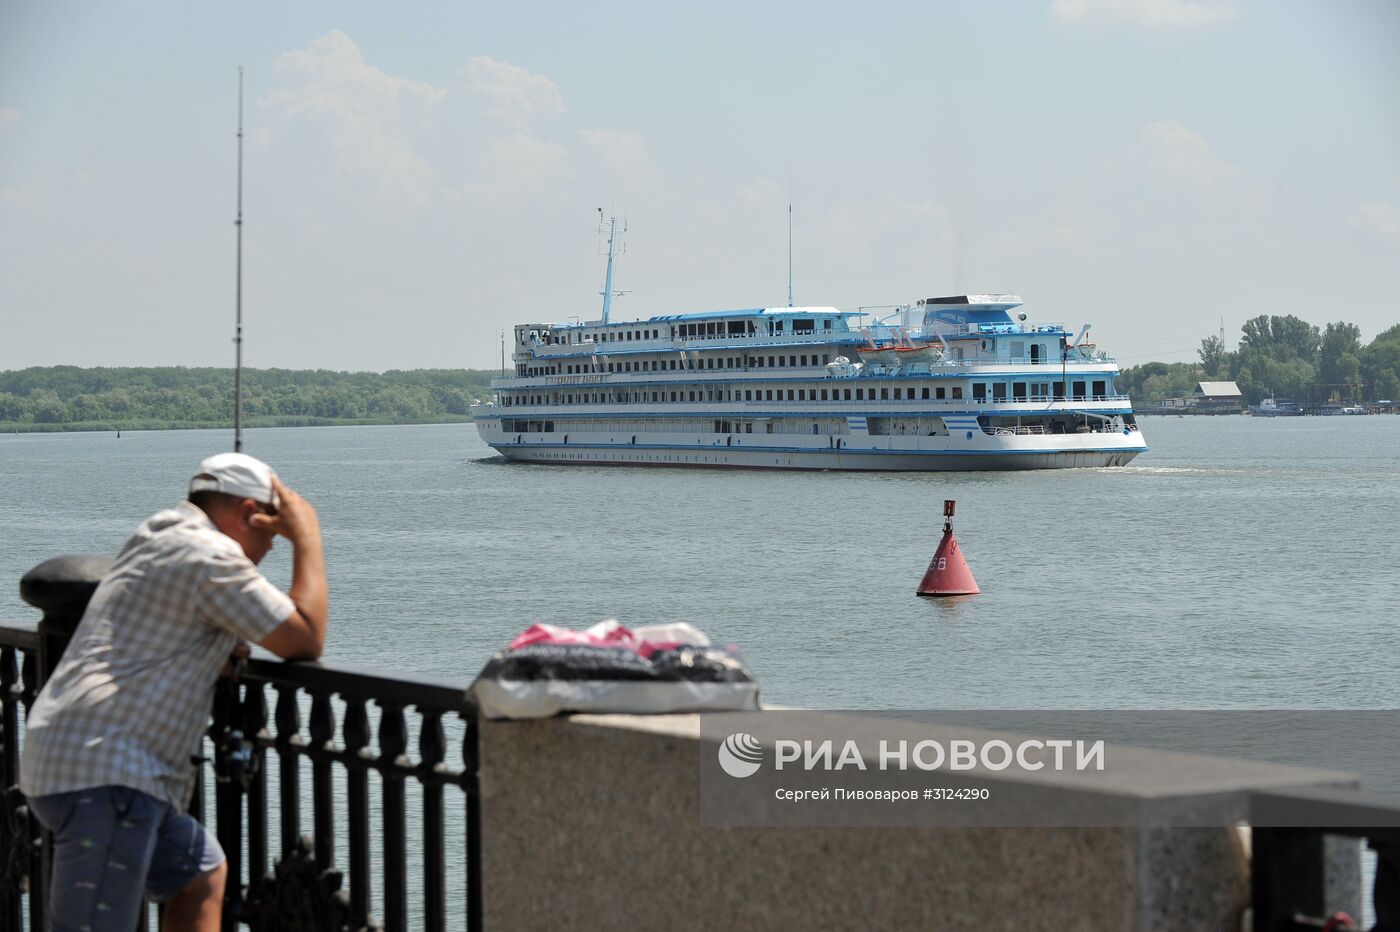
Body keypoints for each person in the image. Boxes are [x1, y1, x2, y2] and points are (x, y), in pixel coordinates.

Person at [20, 452, 329, 932]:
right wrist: (308, 535)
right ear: (250, 514)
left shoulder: (157, 537)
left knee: (199, 875)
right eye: (271, 537)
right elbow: (305, 636)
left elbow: (157, 628)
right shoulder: (209, 554)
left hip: (77, 758)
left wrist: (215, 645)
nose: (268, 551)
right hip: (108, 774)